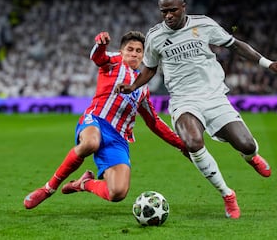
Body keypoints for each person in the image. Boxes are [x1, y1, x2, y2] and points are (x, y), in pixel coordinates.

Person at [115, 0, 277, 219]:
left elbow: (235, 45)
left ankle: (251, 157)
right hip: (183, 100)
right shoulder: (155, 36)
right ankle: (227, 195)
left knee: (246, 144)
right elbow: (149, 68)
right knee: (193, 142)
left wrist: (268, 64)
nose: (168, 16)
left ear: (184, 7)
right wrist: (133, 86)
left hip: (214, 96)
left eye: (173, 10)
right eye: (163, 11)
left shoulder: (204, 24)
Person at [23, 30, 190, 210]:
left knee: (117, 193)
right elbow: (97, 57)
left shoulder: (142, 89)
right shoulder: (114, 61)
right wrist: (101, 44)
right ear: (122, 51)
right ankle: (48, 189)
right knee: (91, 143)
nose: (133, 54)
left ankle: (83, 184)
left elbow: (154, 123)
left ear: (144, 55)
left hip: (117, 139)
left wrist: (181, 144)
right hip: (95, 120)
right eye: (130, 49)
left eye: (138, 51)